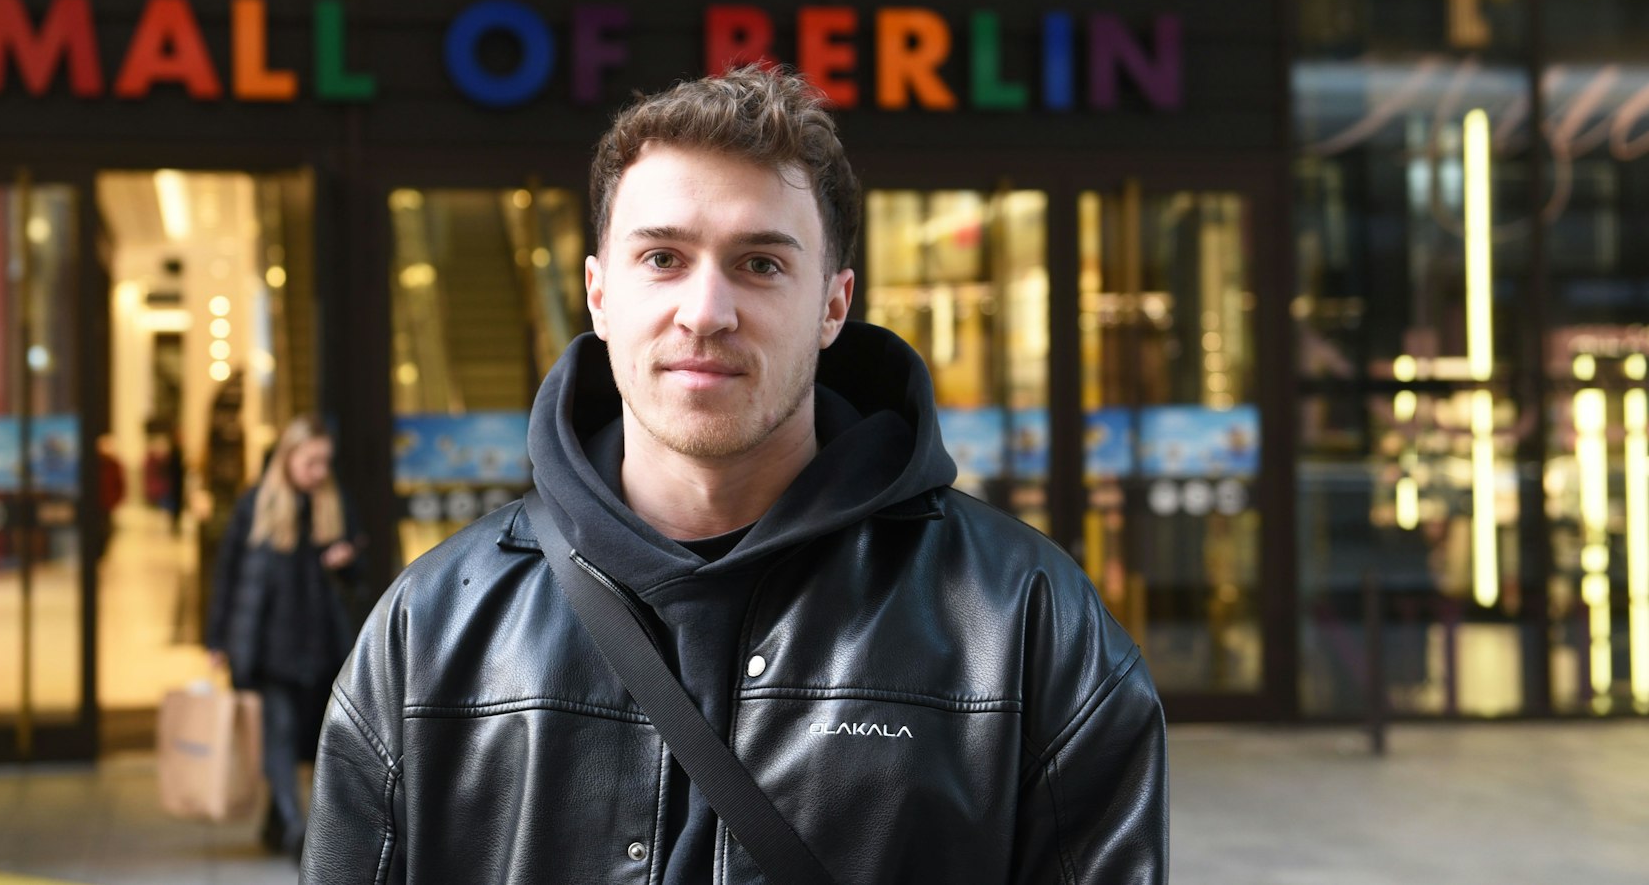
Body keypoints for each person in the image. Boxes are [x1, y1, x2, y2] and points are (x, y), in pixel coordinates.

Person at [303, 67, 1168, 883]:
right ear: (600, 296)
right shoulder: (435, 626)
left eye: (760, 264)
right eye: (662, 259)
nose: (706, 312)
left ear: (833, 304)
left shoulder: (1023, 622)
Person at [205, 415, 364, 862]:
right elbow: (227, 575)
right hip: (266, 646)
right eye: (310, 462)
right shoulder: (255, 504)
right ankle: (299, 832)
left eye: (324, 464)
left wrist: (346, 560)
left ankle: (278, 823)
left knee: (314, 742)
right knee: (278, 734)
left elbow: (360, 576)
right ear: (288, 457)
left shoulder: (334, 505)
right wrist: (217, 639)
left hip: (320, 646)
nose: (318, 472)